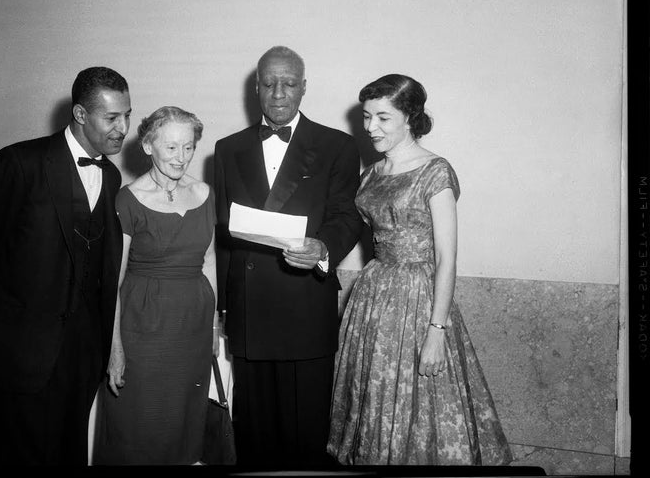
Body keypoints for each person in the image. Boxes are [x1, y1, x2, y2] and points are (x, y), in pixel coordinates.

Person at [328, 74, 513, 465]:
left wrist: (436, 331)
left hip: (420, 298)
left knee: (422, 402)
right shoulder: (371, 174)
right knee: (374, 395)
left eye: (383, 117)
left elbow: (446, 258)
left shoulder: (435, 171)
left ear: (410, 118)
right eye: (366, 117)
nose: (370, 128)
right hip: (375, 297)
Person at [0, 67, 132, 465]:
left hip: (82, 355)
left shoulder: (112, 175)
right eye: (112, 118)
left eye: (127, 115)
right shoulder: (18, 162)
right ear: (81, 115)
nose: (123, 128)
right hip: (20, 354)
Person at [214, 45, 364, 467]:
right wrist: (225, 306)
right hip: (249, 311)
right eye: (268, 83)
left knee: (305, 439)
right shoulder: (227, 149)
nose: (278, 93)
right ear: (256, 88)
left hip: (305, 305)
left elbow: (346, 215)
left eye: (288, 83)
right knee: (254, 436)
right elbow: (223, 236)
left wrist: (323, 248)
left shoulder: (338, 146)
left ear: (303, 88)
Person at [93, 106, 220, 465]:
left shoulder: (206, 193)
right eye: (171, 148)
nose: (181, 158)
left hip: (192, 327)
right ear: (148, 146)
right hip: (142, 326)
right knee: (139, 422)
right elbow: (113, 280)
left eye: (189, 147)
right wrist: (114, 346)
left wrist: (212, 327)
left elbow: (209, 261)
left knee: (184, 422)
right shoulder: (128, 199)